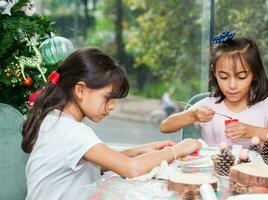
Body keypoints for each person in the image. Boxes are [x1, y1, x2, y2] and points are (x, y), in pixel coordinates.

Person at [21, 47, 201, 200]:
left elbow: (99, 162)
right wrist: (177, 150)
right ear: (81, 90)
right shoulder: (72, 131)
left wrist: (139, 150)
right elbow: (131, 169)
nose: (112, 106)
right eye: (108, 98)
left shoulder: (55, 119)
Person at [160, 32, 268, 148]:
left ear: (254, 74)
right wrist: (192, 115)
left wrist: (253, 131)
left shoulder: (265, 106)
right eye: (224, 77)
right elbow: (165, 127)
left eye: (241, 76)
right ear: (215, 74)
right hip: (213, 178)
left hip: (254, 178)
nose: (232, 85)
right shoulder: (208, 106)